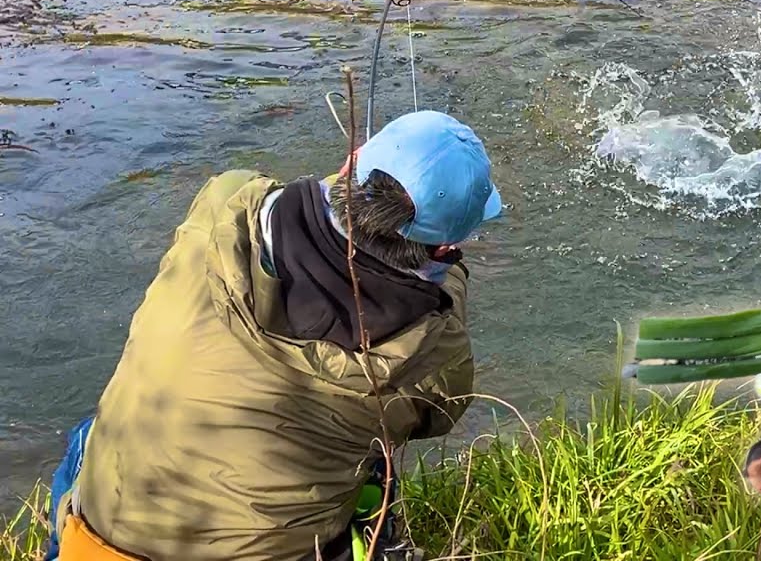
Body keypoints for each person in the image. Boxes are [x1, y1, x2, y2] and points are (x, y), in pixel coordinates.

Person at [44, 109, 503, 561]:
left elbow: (301, 203)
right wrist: (447, 275)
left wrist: (355, 198)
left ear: (351, 164)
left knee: (95, 431)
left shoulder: (226, 204)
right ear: (443, 249)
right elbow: (439, 415)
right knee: (375, 461)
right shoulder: (428, 350)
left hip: (93, 541)